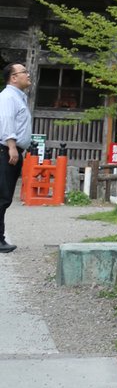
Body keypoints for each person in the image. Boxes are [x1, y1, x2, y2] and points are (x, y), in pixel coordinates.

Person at [0, 63, 32, 252]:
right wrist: (12, 145)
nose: (28, 75)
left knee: (4, 196)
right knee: (2, 196)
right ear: (13, 77)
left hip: (11, 150)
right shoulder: (8, 97)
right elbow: (6, 121)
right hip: (6, 149)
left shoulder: (18, 97)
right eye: (24, 72)